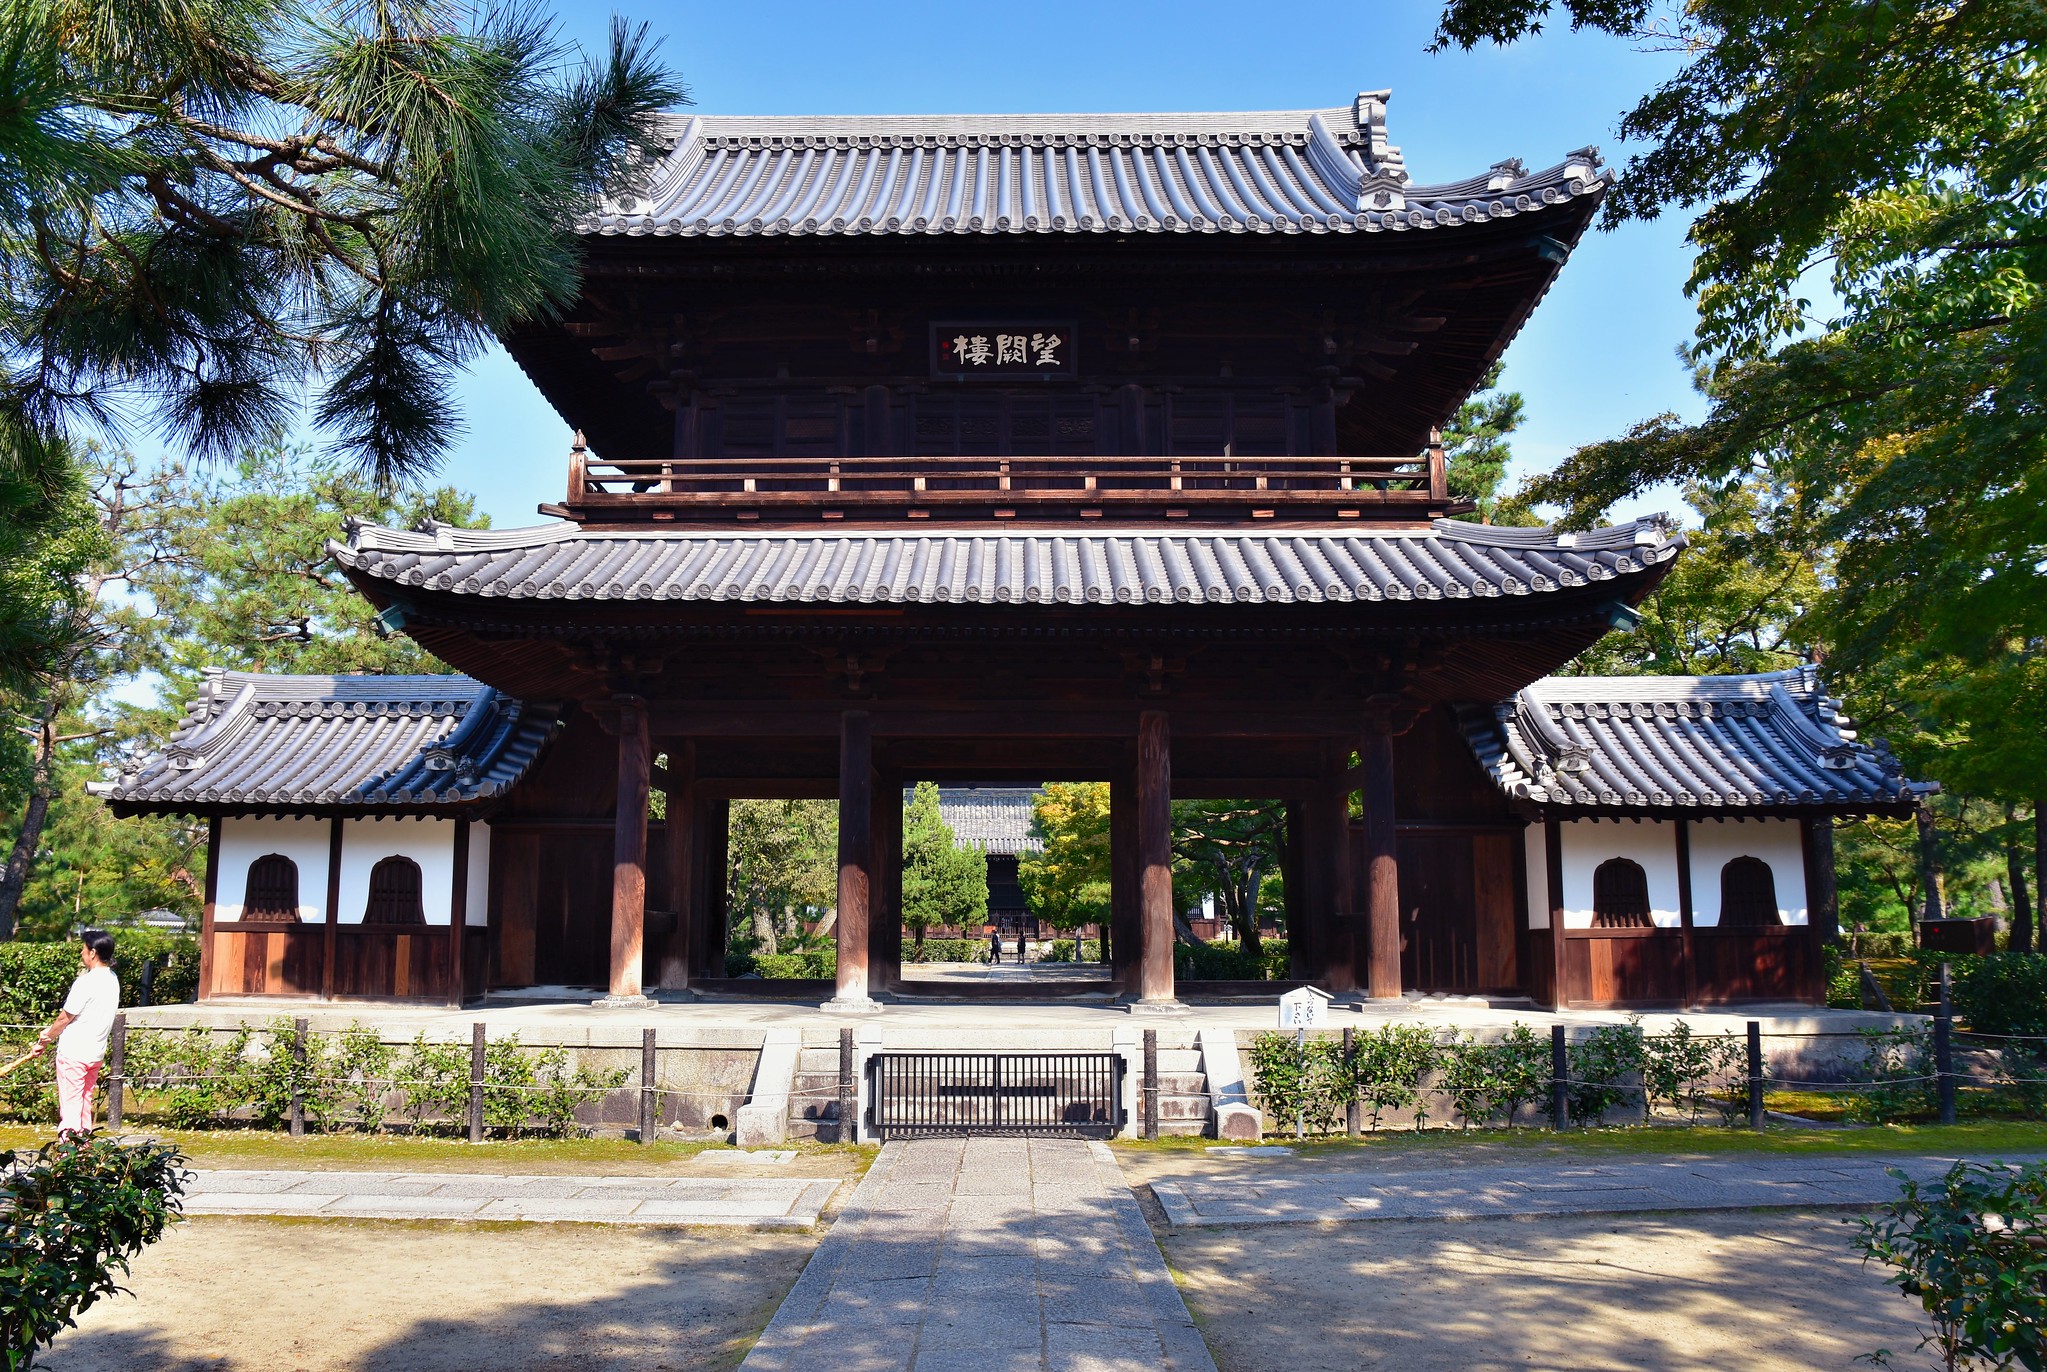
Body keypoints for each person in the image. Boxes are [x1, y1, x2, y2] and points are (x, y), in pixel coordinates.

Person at [33, 930, 120, 1136]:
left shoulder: (86, 982)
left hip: (74, 1053)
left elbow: (65, 1018)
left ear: (93, 952)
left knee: (71, 1107)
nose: (81, 953)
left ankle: (68, 1157)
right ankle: (84, 1153)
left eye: (83, 949)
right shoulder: (112, 979)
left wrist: (45, 1040)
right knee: (83, 1104)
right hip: (95, 1053)